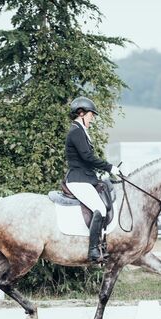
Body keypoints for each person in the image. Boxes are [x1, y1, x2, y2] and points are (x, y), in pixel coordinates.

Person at [65, 96, 121, 262]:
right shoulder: (76, 131)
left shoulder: (81, 131)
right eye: (91, 114)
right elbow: (88, 157)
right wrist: (109, 167)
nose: (93, 117)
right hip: (78, 179)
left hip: (85, 177)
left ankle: (101, 244)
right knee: (100, 209)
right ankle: (93, 251)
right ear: (81, 113)